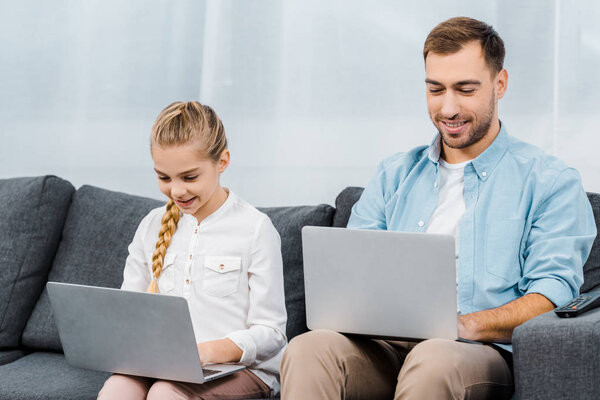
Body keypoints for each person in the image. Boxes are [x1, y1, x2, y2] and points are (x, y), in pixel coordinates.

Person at [280, 16, 597, 400]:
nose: (448, 108)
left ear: (500, 84)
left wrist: (467, 325)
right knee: (308, 348)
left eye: (465, 89)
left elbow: (553, 293)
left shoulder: (550, 180)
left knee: (433, 358)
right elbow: (351, 277)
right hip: (385, 347)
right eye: (436, 89)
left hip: (475, 352)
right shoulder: (394, 174)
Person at [98, 101, 287, 399]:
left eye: (189, 177)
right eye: (164, 177)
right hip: (163, 367)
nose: (177, 191)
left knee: (164, 394)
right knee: (117, 390)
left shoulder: (255, 228)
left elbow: (272, 332)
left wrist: (205, 352)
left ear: (222, 162)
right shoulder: (151, 225)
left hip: (240, 369)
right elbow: (127, 313)